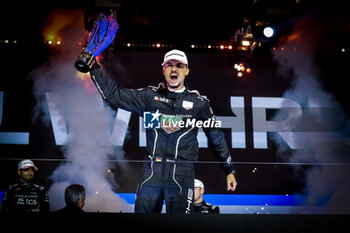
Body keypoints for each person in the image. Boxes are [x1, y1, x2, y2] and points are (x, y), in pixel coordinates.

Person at [88, 49, 237, 213]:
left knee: (178, 226)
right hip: (152, 170)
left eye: (179, 66)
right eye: (170, 65)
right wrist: (93, 66)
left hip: (182, 171)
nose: (174, 69)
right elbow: (113, 95)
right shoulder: (149, 97)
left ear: (186, 71)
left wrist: (229, 170)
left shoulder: (199, 103)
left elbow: (216, 137)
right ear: (163, 70)